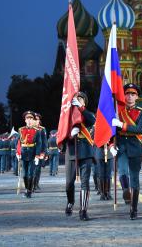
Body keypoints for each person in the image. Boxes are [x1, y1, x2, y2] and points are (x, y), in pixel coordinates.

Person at [110, 83, 142, 220]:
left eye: (133, 94)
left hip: (135, 147)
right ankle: (126, 191)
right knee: (122, 171)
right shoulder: (117, 110)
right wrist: (110, 145)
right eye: (127, 94)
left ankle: (134, 208)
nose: (130, 96)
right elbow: (110, 130)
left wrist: (122, 125)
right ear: (123, 95)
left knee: (135, 178)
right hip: (121, 146)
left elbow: (140, 129)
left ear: (137, 96)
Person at [63, 92, 96, 221]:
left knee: (85, 183)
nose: (78, 101)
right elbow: (62, 134)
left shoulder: (88, 114)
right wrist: (71, 134)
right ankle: (70, 201)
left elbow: (92, 120)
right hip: (71, 152)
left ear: (84, 103)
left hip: (86, 152)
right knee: (68, 184)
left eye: (81, 100)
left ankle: (83, 210)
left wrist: (81, 108)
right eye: (76, 99)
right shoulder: (68, 116)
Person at [17, 111, 41, 199]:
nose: (29, 120)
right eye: (28, 118)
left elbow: (39, 143)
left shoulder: (36, 131)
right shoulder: (21, 129)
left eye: (31, 118)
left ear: (33, 120)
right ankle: (27, 188)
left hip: (32, 152)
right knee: (24, 174)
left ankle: (29, 191)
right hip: (23, 153)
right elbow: (19, 142)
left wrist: (37, 155)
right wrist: (18, 152)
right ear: (25, 120)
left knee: (31, 173)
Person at [33, 113, 47, 191]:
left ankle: (36, 184)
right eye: (35, 119)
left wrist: (45, 153)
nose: (37, 121)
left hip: (40, 152)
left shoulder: (42, 129)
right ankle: (31, 184)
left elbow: (44, 142)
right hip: (30, 151)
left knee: (38, 169)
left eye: (38, 119)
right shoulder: (29, 128)